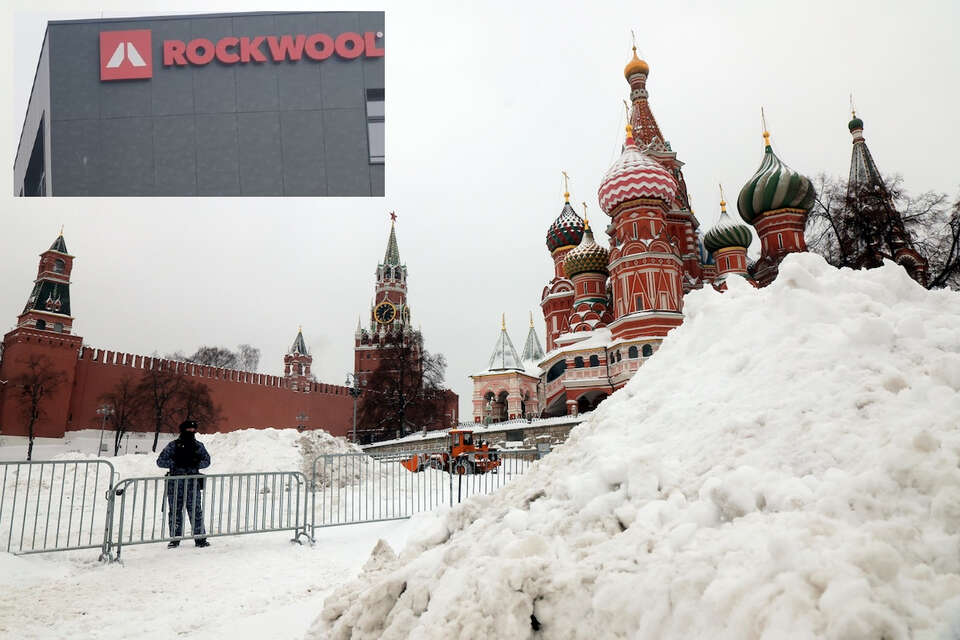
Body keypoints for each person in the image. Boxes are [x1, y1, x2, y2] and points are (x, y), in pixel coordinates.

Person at [157, 420, 211, 548]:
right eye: (189, 429)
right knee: (175, 512)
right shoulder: (173, 446)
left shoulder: (198, 446)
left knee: (195, 511)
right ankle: (175, 539)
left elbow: (207, 461)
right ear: (183, 430)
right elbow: (160, 461)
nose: (191, 431)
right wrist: (176, 463)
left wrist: (195, 463)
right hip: (175, 484)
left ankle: (200, 539)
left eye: (193, 429)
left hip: (192, 484)